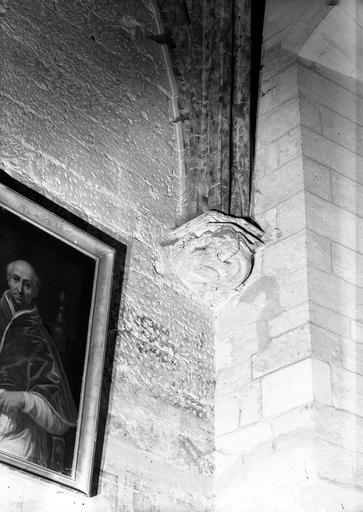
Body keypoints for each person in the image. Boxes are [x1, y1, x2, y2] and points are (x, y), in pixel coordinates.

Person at [0, 260, 77, 468]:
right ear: (8, 279)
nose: (19, 288)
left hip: (17, 435)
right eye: (16, 279)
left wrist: (24, 399)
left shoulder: (39, 338)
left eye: (27, 284)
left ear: (34, 291)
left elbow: (60, 419)